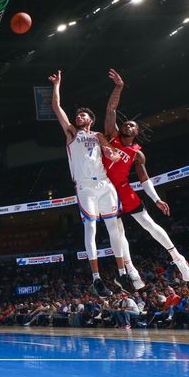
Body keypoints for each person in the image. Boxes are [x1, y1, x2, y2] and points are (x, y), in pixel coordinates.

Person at [102, 69, 189, 286]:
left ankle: (178, 258)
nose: (128, 125)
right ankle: (132, 271)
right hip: (105, 190)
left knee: (148, 224)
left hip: (123, 189)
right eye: (126, 123)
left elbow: (144, 180)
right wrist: (119, 87)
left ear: (136, 132)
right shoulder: (111, 136)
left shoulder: (137, 153)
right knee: (117, 232)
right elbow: (110, 109)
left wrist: (156, 199)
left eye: (132, 125)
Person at [48, 69, 126, 298]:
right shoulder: (72, 133)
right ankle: (96, 278)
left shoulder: (99, 135)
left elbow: (109, 151)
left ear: (91, 120)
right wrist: (56, 85)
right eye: (78, 115)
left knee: (114, 227)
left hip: (104, 183)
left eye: (84, 116)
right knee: (90, 227)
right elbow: (56, 108)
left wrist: (112, 155)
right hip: (84, 187)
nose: (79, 117)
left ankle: (122, 272)